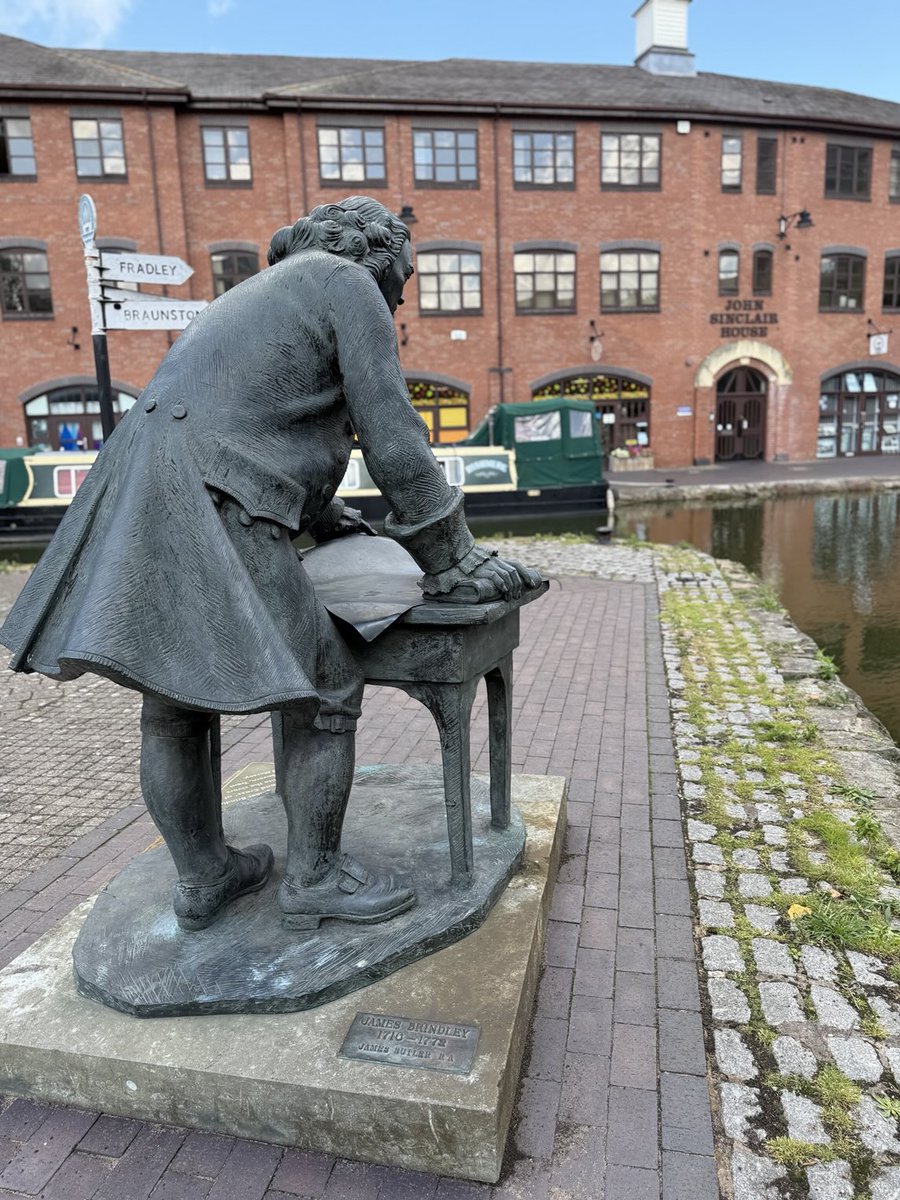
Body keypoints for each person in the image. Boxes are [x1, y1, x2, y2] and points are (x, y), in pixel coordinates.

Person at [0, 196, 540, 933]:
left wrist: (320, 516)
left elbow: (255, 413)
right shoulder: (348, 284)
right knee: (323, 689)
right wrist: (453, 558)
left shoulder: (258, 293)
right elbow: (392, 431)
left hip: (138, 487)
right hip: (219, 497)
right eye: (402, 281)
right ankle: (315, 877)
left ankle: (204, 876)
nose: (402, 298)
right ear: (376, 255)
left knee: (171, 704)